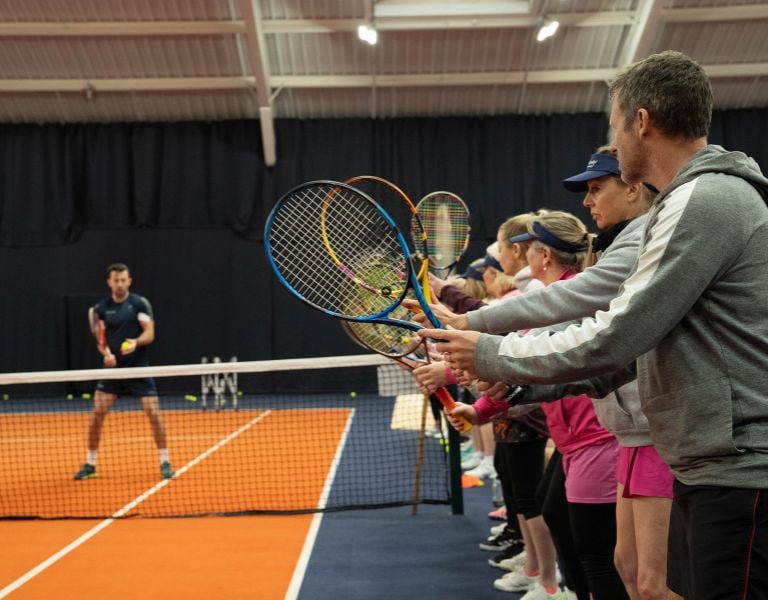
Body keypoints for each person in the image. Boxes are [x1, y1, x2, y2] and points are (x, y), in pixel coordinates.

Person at [422, 50, 768, 600]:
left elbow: (615, 333)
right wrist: (514, 380)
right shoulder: (689, 203)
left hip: (737, 467)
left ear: (641, 121)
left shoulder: (703, 201)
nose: (615, 140)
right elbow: (631, 356)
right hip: (712, 464)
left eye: (615, 123)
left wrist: (488, 352)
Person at [74, 263, 174, 481]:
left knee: (154, 414)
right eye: (115, 280)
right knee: (96, 415)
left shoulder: (139, 304)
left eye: (123, 280)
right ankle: (90, 463)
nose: (119, 283)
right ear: (109, 282)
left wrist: (136, 342)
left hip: (138, 369)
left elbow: (150, 333)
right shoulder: (101, 308)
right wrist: (106, 354)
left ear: (129, 281)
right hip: (113, 372)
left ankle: (165, 461)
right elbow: (100, 340)